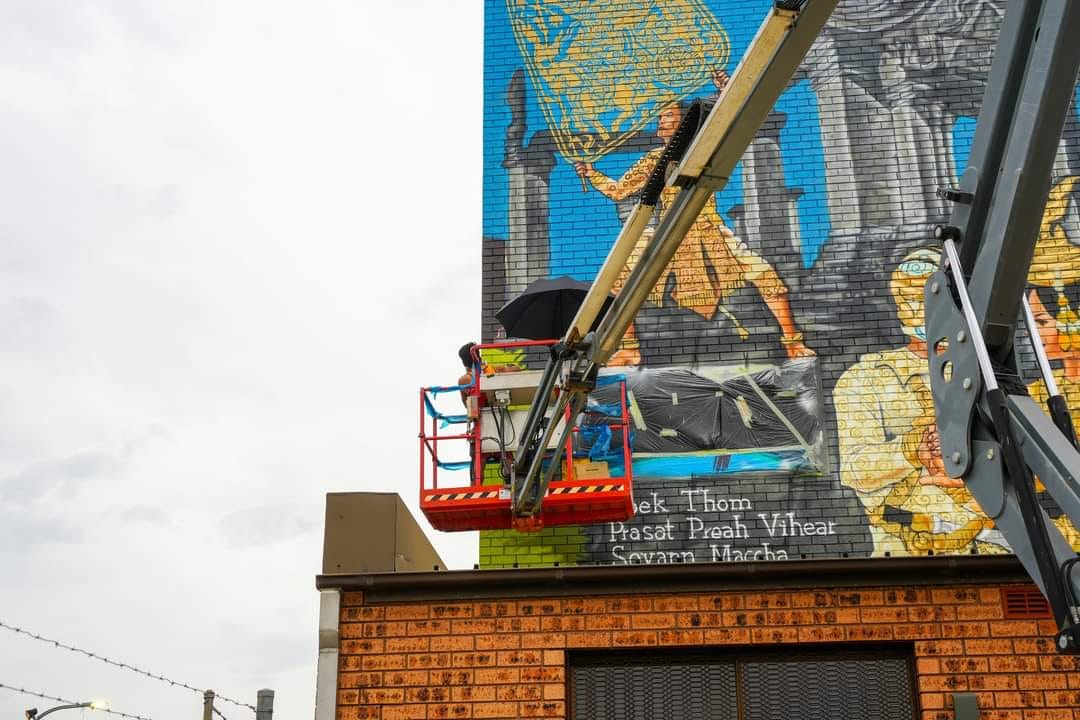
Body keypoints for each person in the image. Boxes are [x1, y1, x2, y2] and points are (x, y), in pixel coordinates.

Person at [573, 76, 813, 366]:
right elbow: (618, 190)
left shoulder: (704, 148)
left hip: (708, 228)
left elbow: (725, 123)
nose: (661, 121)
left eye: (668, 116)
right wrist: (593, 173)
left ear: (685, 122)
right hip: (667, 231)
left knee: (764, 273)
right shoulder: (653, 160)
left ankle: (793, 342)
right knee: (618, 279)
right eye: (660, 117)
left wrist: (725, 91)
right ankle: (629, 348)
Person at [833, 247, 1007, 556]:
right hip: (909, 550)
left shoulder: (991, 373)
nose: (914, 306)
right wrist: (911, 448)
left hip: (999, 548)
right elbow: (855, 469)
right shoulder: (865, 378)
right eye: (905, 297)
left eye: (923, 296)